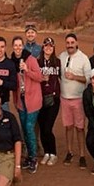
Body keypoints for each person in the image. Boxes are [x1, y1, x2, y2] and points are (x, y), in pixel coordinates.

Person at [10, 36, 43, 174]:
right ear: (12, 47)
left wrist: (27, 70)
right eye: (15, 45)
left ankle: (33, 158)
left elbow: (40, 77)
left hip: (33, 100)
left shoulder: (30, 59)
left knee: (29, 128)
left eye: (19, 45)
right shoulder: (12, 61)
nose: (17, 48)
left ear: (23, 46)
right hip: (21, 101)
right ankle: (29, 157)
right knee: (24, 129)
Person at [58, 33, 92, 169]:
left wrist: (74, 77)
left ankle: (82, 155)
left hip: (78, 98)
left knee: (79, 128)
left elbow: (88, 78)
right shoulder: (61, 56)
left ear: (76, 43)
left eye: (72, 42)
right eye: (68, 43)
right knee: (68, 127)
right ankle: (70, 152)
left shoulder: (84, 58)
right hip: (64, 98)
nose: (70, 45)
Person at [37, 37, 61, 166]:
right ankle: (47, 152)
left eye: (51, 46)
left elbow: (62, 78)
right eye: (46, 45)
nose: (48, 48)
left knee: (48, 127)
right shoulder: (37, 62)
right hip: (40, 98)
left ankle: (53, 153)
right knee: (42, 127)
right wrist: (41, 78)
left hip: (54, 99)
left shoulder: (57, 62)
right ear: (43, 47)